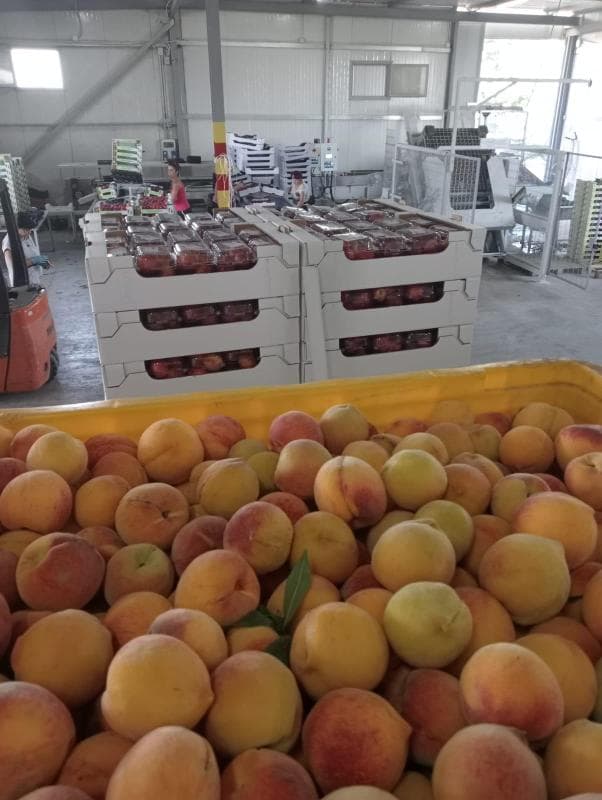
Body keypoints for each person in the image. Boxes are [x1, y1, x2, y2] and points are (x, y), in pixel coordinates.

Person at [1, 211, 50, 288]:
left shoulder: (26, 236)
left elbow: (32, 253)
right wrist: (33, 260)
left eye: (30, 230)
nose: (29, 232)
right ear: (16, 227)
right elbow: (13, 266)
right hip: (22, 283)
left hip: (34, 279)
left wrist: (41, 262)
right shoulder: (9, 242)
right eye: (26, 230)